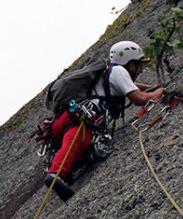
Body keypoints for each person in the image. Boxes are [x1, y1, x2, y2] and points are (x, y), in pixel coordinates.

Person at [44, 41, 165, 201]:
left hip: (61, 122)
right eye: (139, 65)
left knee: (78, 149)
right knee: (78, 144)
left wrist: (149, 87)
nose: (141, 70)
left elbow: (132, 86)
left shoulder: (109, 71)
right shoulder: (119, 71)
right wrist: (158, 91)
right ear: (130, 64)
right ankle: (55, 175)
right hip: (79, 121)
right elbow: (139, 98)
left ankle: (63, 172)